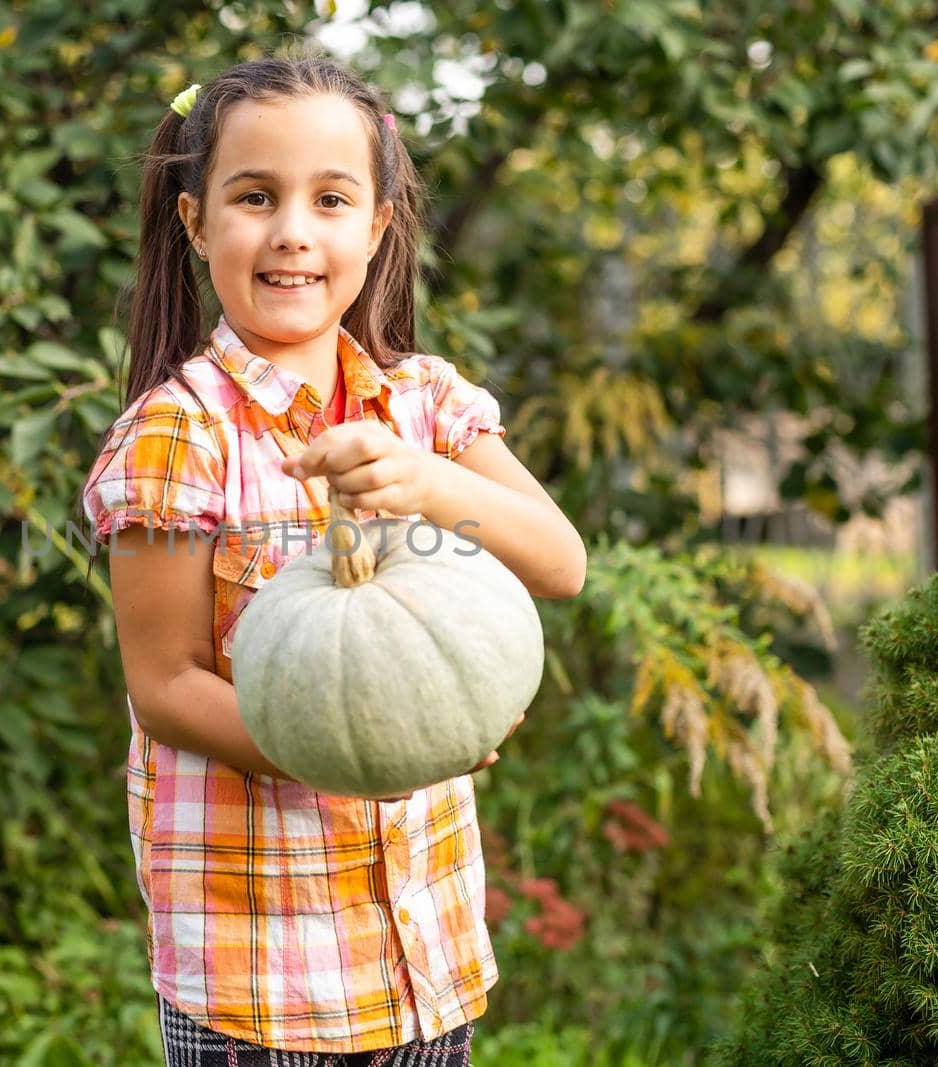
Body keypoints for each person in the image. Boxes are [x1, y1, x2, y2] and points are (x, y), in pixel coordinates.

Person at [77, 44, 587, 1067]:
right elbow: (166, 682)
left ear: (376, 225)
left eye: (330, 200)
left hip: (425, 952)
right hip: (260, 974)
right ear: (196, 221)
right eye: (255, 197)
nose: (292, 234)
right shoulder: (178, 436)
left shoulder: (426, 407)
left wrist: (428, 478)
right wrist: (359, 745)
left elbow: (560, 561)